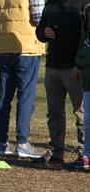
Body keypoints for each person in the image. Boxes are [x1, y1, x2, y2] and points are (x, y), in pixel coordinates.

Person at [33, 0, 87, 165]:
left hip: (75, 69)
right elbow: (39, 30)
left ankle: (84, 153)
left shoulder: (84, 4)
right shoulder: (50, 4)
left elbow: (87, 36)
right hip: (52, 66)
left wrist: (79, 64)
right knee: (54, 112)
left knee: (81, 114)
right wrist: (44, 32)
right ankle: (56, 152)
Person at [0, 0, 45, 158]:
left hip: (4, 44)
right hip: (26, 45)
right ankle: (22, 142)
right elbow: (38, 18)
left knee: (3, 97)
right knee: (25, 97)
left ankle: (1, 142)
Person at [68, 2, 90, 170]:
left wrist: (79, 62)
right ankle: (87, 155)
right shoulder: (87, 10)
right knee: (88, 121)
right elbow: (85, 43)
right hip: (88, 83)